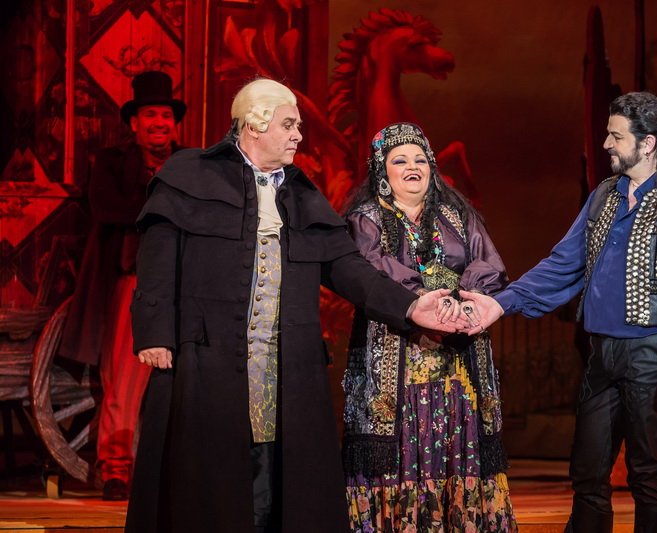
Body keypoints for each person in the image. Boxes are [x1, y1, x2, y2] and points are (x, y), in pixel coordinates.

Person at [125, 79, 461, 533]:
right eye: (288, 125)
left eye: (297, 126)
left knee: (277, 474)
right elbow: (158, 260)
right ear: (253, 125)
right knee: (208, 475)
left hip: (285, 364)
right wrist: (155, 333)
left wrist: (410, 307)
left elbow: (349, 268)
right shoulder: (190, 177)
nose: (298, 136)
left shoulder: (301, 195)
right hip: (205, 356)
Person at [460, 92, 657, 533]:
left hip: (652, 354)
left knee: (647, 472)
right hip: (602, 353)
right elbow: (564, 263)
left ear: (648, 143)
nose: (606, 144)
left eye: (616, 136)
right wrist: (501, 302)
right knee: (587, 470)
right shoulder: (605, 196)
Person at [342, 122, 518, 532]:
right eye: (400, 160)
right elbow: (374, 270)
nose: (412, 167)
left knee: (458, 442)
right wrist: (426, 301)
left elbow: (487, 262)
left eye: (420, 160)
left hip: (457, 366)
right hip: (398, 361)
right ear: (381, 171)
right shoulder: (366, 220)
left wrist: (465, 301)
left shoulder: (457, 216)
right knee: (403, 448)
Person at [59, 71, 185, 501]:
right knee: (125, 380)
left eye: (165, 115)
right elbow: (108, 209)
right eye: (150, 115)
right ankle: (116, 468)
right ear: (135, 123)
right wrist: (163, 207)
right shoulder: (112, 163)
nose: (159, 123)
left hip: (185, 284)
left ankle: (177, 468)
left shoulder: (191, 165)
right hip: (135, 282)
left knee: (187, 381)